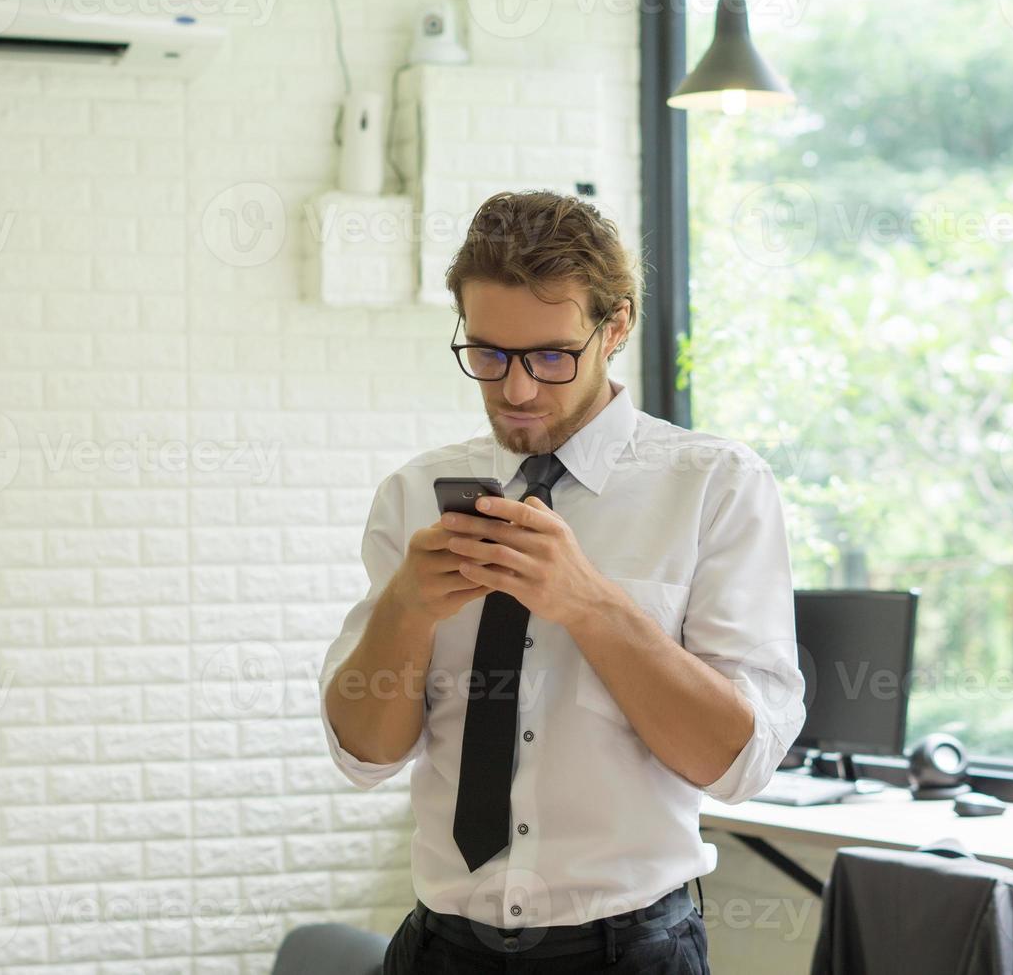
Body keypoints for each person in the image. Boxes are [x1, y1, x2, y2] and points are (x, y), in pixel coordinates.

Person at [319, 190, 807, 973]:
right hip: (441, 948)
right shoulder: (414, 496)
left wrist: (590, 604)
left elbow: (737, 765)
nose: (516, 391)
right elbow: (363, 757)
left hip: (631, 951)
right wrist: (407, 608)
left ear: (615, 327)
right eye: (488, 355)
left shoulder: (714, 486)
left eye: (551, 356)